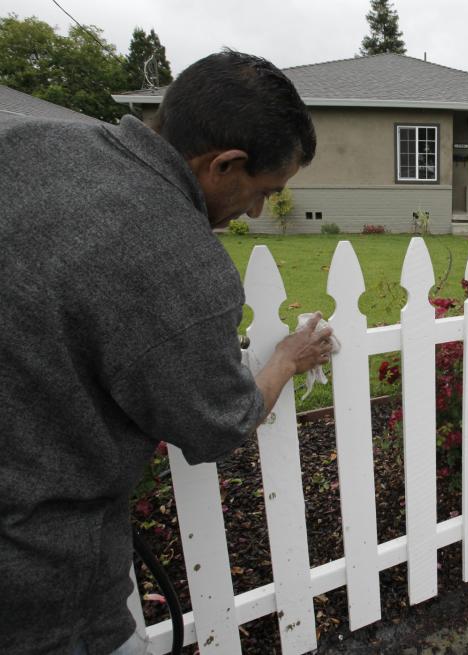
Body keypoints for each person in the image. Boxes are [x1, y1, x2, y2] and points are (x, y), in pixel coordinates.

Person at [0, 51, 335, 655]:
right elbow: (219, 425)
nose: (257, 210)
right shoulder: (182, 266)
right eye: (263, 190)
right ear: (225, 163)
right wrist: (286, 358)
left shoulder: (27, 140)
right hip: (36, 584)